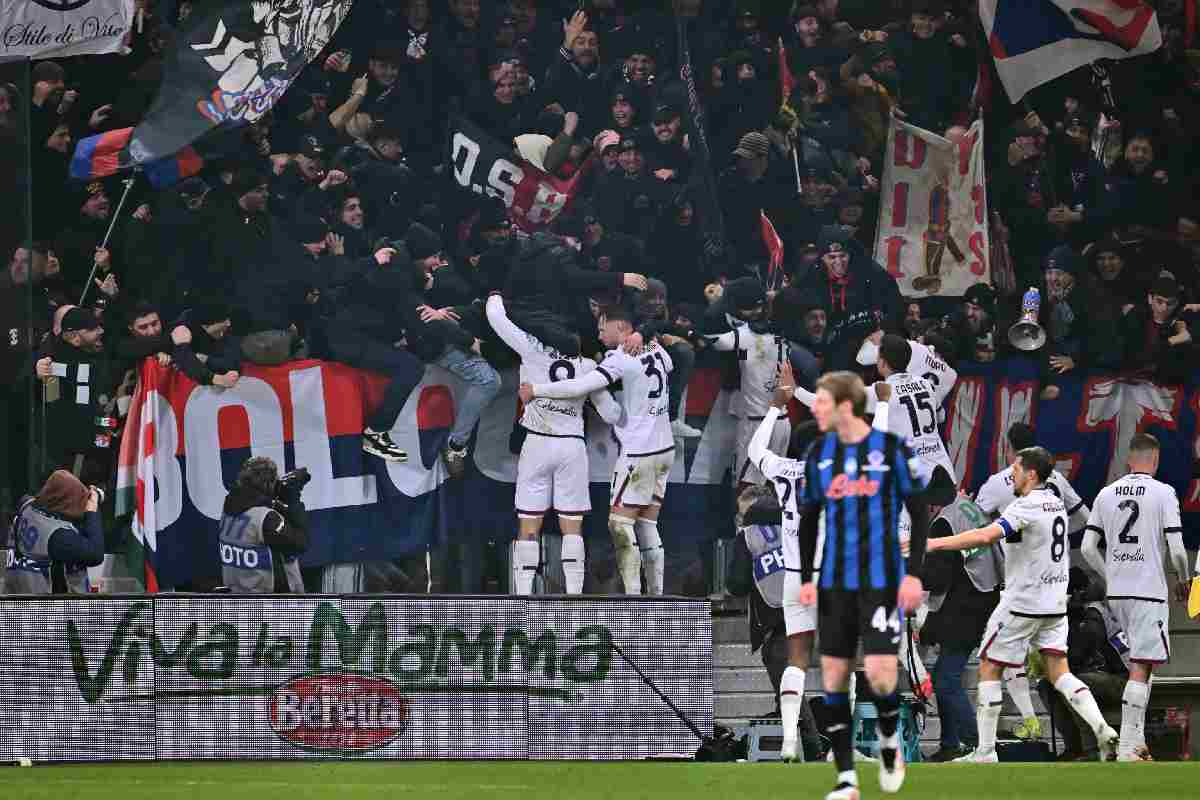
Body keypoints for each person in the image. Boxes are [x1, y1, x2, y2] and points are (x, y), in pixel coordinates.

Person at [927, 446, 1120, 763]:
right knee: (1060, 673)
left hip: (1022, 603)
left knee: (989, 667)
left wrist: (933, 543)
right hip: (1054, 607)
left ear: (1031, 474)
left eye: (1015, 471)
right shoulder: (1055, 503)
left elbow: (985, 536)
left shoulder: (1025, 506)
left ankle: (985, 752)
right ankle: (1102, 730)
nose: (1012, 476)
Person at [749, 361, 892, 763]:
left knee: (797, 658)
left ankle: (792, 743)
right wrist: (882, 405)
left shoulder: (785, 471)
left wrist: (778, 406)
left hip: (795, 580)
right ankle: (839, 750)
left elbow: (755, 451)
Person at [796, 371, 928, 798]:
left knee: (881, 674)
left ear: (845, 407)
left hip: (881, 580)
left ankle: (890, 742)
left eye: (821, 402)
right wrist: (806, 578)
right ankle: (847, 778)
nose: (815, 409)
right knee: (833, 677)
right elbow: (809, 520)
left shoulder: (891, 450)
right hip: (834, 582)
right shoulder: (818, 453)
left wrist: (914, 575)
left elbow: (920, 513)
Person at [520, 306, 673, 596]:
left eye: (603, 329)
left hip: (638, 454)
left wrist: (537, 390)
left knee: (620, 526)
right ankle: (657, 595)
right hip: (665, 449)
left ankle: (635, 600)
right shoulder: (655, 347)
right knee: (648, 524)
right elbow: (666, 357)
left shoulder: (619, 358)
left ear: (621, 327)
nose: (599, 336)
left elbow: (581, 385)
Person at [485, 293, 620, 595]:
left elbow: (496, 318)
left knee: (529, 523)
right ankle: (574, 597)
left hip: (537, 444)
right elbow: (612, 413)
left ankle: (522, 597)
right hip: (572, 447)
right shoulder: (587, 366)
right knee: (572, 524)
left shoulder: (532, 351)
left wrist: (495, 295)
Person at [1080, 433, 1190, 761]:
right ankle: (1129, 747)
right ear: (1155, 461)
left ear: (1129, 459)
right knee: (1142, 667)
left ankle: (1137, 743)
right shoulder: (1163, 493)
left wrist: (1110, 576)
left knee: (1139, 667)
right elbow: (1179, 551)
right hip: (1148, 591)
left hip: (1118, 594)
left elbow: (1087, 548)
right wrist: (1184, 581)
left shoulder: (1106, 493)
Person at [725, 481, 823, 762]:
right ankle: (790, 748)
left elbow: (737, 584)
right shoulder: (795, 529)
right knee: (787, 688)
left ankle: (814, 752)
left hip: (776, 626)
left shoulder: (748, 537)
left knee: (788, 689)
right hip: (813, 618)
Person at [919, 495, 1002, 761]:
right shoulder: (967, 507)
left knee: (946, 680)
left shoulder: (942, 523)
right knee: (945, 674)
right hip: (984, 596)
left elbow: (939, 578)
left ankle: (974, 744)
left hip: (964, 607)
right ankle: (950, 744)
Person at [704, 287, 793, 491]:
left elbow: (710, 341)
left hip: (757, 424)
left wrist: (717, 304)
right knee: (774, 487)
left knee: (747, 487)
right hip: (782, 422)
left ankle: (745, 524)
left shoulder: (746, 335)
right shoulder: (786, 332)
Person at [870, 334, 957, 507]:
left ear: (883, 362)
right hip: (946, 480)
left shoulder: (880, 391)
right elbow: (941, 417)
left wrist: (798, 391)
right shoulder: (925, 383)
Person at [218, 457, 309, 594]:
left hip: (237, 596)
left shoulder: (229, 508)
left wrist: (277, 497)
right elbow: (300, 542)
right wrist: (293, 500)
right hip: (267, 604)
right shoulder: (265, 518)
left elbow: (255, 502)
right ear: (269, 483)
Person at [5, 469, 104, 594]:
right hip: (47, 608)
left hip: (16, 594)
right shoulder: (57, 536)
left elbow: (44, 500)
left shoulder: (26, 506)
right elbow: (96, 554)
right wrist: (92, 510)